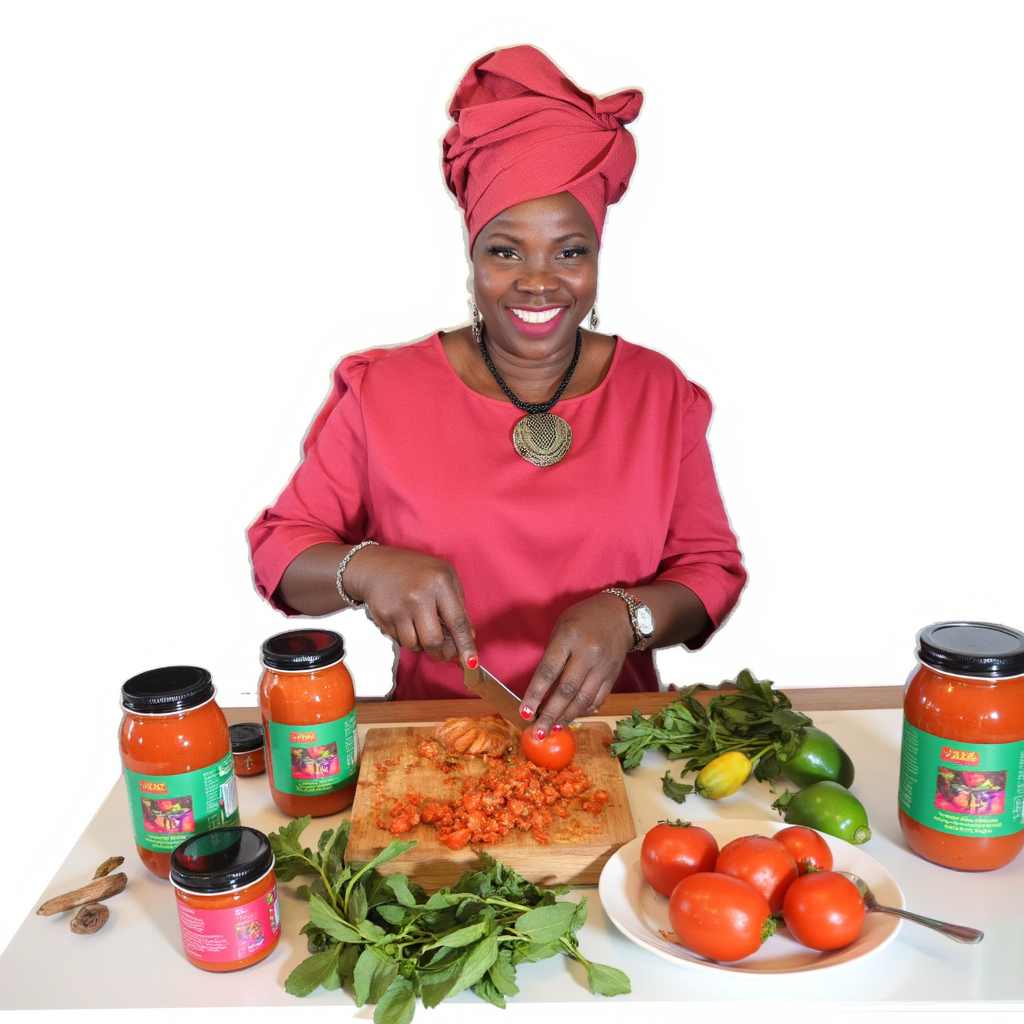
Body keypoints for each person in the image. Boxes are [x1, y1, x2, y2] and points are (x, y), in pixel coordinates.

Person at [247, 45, 746, 741]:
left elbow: (710, 571)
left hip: (615, 738)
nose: (538, 281)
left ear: (597, 255)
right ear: (472, 254)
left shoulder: (659, 393)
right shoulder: (380, 391)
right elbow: (281, 554)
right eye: (505, 250)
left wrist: (629, 616)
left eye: (569, 251)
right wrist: (364, 567)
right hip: (440, 737)